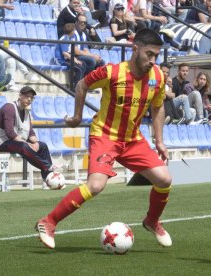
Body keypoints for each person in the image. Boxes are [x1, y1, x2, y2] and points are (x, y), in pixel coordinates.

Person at [35, 28, 173, 249]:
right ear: (135, 49)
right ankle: (48, 222)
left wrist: (159, 141)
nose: (153, 60)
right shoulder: (112, 72)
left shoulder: (158, 76)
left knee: (164, 180)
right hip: (105, 135)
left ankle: (151, 221)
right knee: (96, 186)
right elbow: (82, 85)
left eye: (156, 55)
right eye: (149, 54)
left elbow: (158, 108)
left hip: (133, 140)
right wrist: (78, 116)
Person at [0, 86, 59, 183]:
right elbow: (10, 132)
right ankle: (49, 167)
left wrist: (35, 143)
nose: (29, 99)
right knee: (23, 146)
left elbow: (30, 133)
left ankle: (47, 179)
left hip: (14, 143)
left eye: (32, 98)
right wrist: (28, 144)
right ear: (20, 96)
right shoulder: (9, 107)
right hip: (0, 143)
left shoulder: (27, 112)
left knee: (43, 146)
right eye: (27, 96)